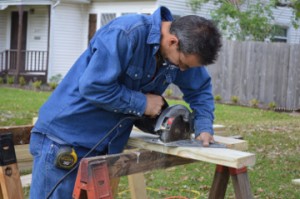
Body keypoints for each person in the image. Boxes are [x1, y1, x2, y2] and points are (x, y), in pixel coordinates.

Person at [29, 6, 222, 199]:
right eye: (182, 64)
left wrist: (204, 127)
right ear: (173, 41)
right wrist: (142, 103)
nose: (183, 70)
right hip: (64, 139)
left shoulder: (182, 50)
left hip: (103, 145)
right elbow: (93, 86)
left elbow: (200, 90)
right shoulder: (126, 33)